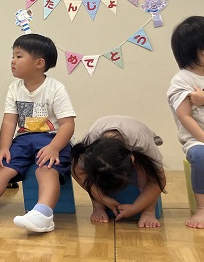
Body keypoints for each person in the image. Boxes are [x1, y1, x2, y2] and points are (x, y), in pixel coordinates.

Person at [0, 34, 76, 232]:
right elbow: (9, 121)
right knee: (3, 166)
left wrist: (54, 148)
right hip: (24, 140)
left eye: (19, 56)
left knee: (46, 169)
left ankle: (43, 213)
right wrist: (3, 148)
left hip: (51, 139)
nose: (13, 60)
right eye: (13, 55)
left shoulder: (55, 88)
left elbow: (67, 125)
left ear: (39, 63)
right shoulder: (14, 88)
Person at [71, 116, 166, 228]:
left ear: (132, 159)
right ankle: (98, 206)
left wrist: (135, 208)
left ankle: (148, 211)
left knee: (145, 170)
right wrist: (103, 199)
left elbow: (158, 181)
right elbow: (77, 171)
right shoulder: (91, 143)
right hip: (101, 133)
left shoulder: (143, 144)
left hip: (137, 136)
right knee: (95, 173)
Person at [167, 15, 204, 229]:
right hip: (197, 141)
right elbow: (185, 116)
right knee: (201, 156)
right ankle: (202, 208)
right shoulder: (182, 80)